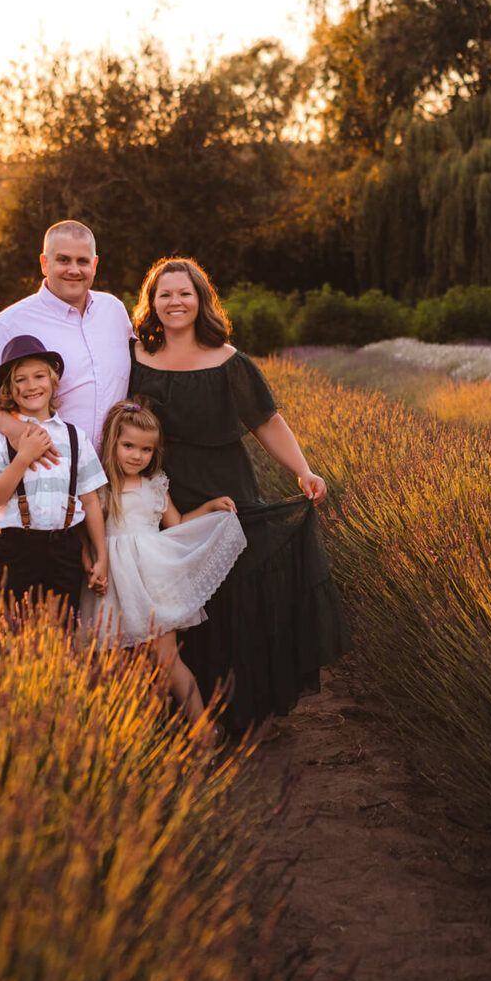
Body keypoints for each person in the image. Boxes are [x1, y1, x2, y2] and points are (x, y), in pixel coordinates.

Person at [125, 256, 353, 736]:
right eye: (164, 293)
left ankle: (238, 710)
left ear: (201, 300)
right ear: (151, 303)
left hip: (225, 483)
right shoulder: (133, 361)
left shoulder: (231, 362)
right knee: (171, 597)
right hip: (159, 491)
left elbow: (266, 421)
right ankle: (180, 713)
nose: (174, 302)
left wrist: (303, 471)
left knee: (232, 590)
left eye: (184, 293)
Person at [80, 399, 246, 727]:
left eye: (145, 450)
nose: (136, 455)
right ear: (113, 442)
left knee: (167, 658)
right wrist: (92, 566)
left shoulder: (155, 484)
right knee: (118, 663)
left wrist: (210, 507)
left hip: (154, 578)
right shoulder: (99, 487)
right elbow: (84, 536)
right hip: (112, 582)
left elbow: (178, 522)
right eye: (128, 446)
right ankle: (132, 733)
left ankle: (202, 733)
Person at [0, 220, 134, 457]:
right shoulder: (11, 322)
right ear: (44, 263)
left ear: (94, 265)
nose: (74, 269)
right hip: (53, 470)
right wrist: (18, 432)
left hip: (117, 468)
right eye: (63, 260)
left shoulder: (113, 310)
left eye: (82, 261)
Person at [0, 333, 109, 616]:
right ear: (9, 389)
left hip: (65, 549)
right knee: (8, 629)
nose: (31, 386)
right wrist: (23, 456)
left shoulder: (74, 437)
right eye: (20, 380)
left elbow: (91, 501)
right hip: (16, 549)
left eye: (39, 376)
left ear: (53, 382)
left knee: (61, 632)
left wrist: (101, 556)